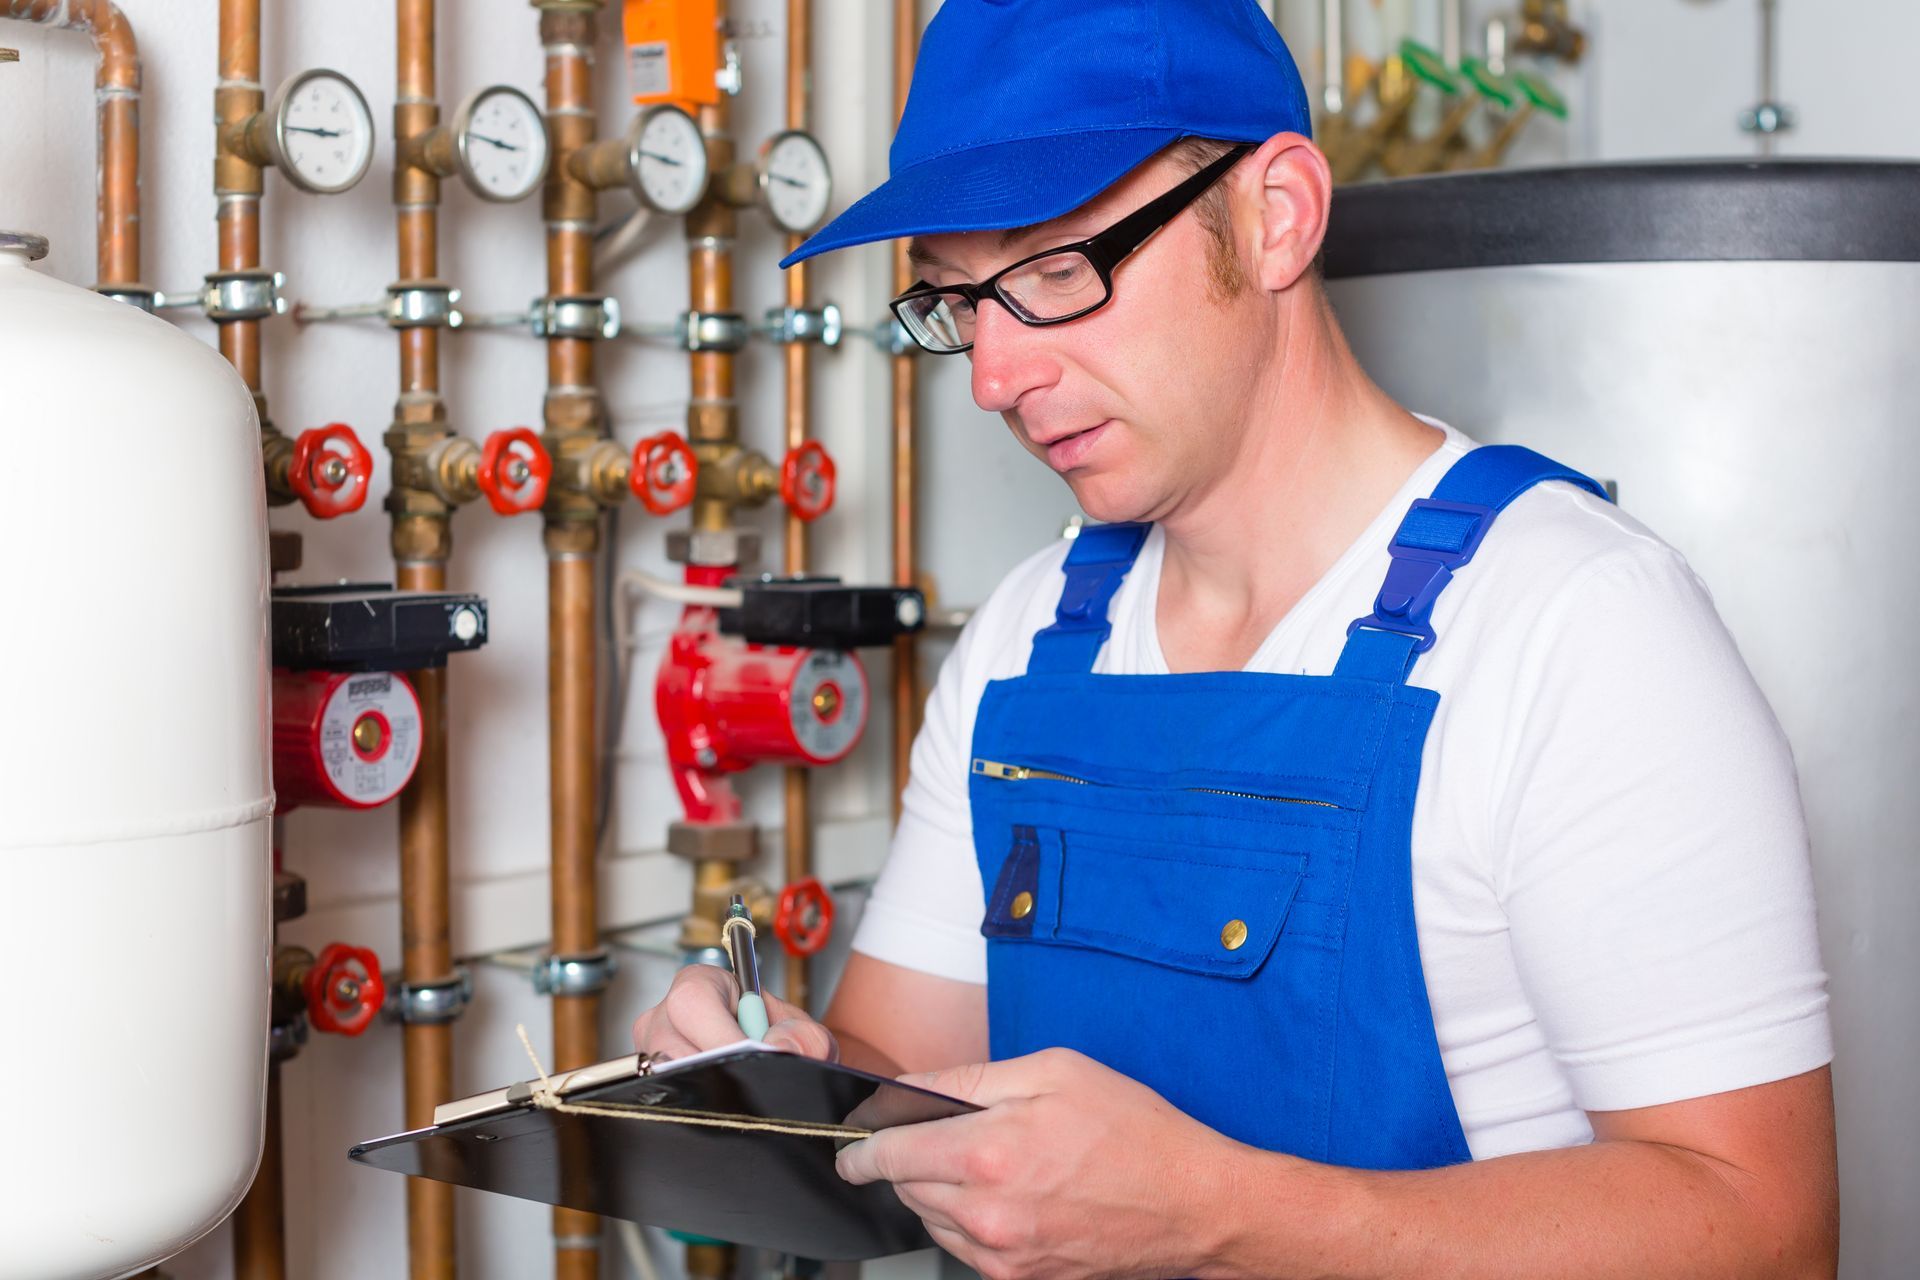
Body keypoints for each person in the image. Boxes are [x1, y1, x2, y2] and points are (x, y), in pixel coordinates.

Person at [633, 1, 1838, 1275]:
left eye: (1055, 271)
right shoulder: (1030, 637)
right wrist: (765, 1077)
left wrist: (1215, 1207)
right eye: (954, 300)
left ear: (1276, 215)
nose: (994, 375)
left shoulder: (1573, 627)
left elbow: (1767, 1228)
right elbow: (892, 1080)